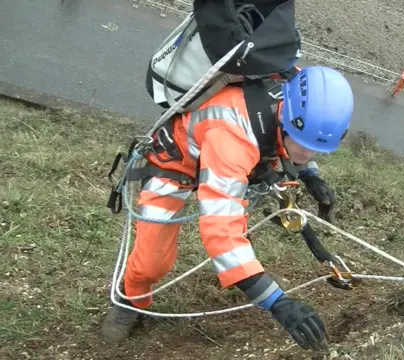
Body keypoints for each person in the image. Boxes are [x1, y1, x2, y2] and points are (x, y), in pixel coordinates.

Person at [101, 65, 354, 352]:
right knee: (151, 260)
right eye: (302, 145)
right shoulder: (232, 134)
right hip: (174, 166)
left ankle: (250, 275)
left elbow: (303, 140)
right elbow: (221, 231)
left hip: (232, 159)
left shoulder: (293, 87)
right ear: (285, 117)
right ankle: (130, 299)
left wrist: (310, 174)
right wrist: (276, 302)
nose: (306, 154)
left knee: (241, 238)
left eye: (316, 150)